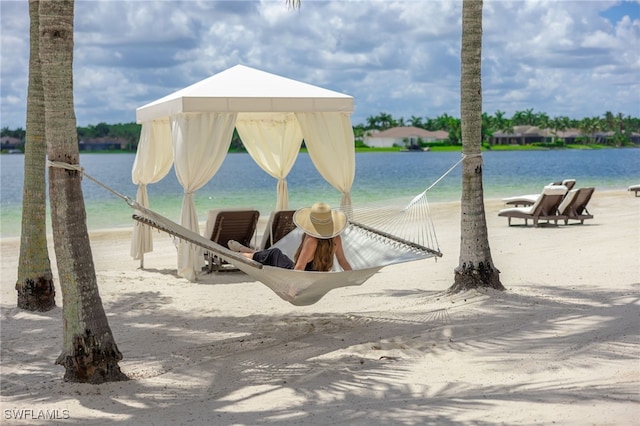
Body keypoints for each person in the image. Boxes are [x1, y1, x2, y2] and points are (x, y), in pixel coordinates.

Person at [228, 202, 352, 272]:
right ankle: (244, 249)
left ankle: (240, 254)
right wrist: (352, 276)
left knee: (274, 254)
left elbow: (299, 268)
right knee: (269, 254)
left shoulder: (312, 241)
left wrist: (292, 291)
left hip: (295, 276)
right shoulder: (336, 239)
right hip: (311, 278)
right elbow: (343, 261)